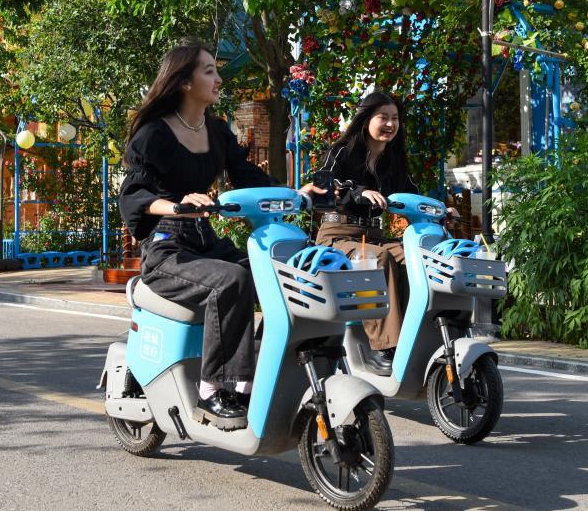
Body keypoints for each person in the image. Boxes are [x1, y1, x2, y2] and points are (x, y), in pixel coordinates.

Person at [119, 38, 317, 430]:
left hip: (204, 241)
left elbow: (248, 176)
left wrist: (296, 193)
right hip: (167, 248)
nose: (218, 79)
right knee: (232, 280)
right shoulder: (154, 134)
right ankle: (213, 392)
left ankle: (259, 371)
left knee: (287, 275)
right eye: (209, 71)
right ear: (184, 82)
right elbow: (133, 194)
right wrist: (175, 205)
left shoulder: (216, 130)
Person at [310, 91, 418, 373]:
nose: (390, 124)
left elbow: (412, 194)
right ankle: (384, 347)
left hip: (374, 236)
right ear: (366, 119)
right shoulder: (342, 151)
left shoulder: (394, 159)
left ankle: (415, 336)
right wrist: (358, 191)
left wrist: (440, 209)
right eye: (383, 117)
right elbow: (325, 183)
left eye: (395, 118)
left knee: (415, 256)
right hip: (337, 236)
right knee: (379, 259)